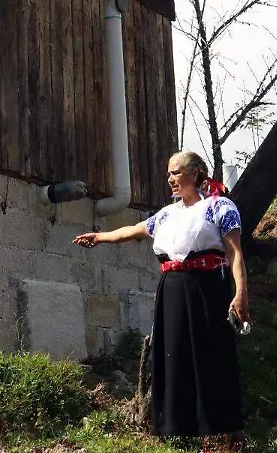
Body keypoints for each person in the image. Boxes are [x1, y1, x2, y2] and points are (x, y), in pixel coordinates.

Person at [73, 151, 248, 447]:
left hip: (207, 290)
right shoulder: (168, 214)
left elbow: (235, 254)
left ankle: (223, 429)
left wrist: (240, 293)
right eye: (169, 174)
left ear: (196, 173)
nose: (171, 179)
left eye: (177, 173)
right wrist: (99, 237)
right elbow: (132, 231)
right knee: (174, 356)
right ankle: (181, 428)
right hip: (173, 291)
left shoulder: (220, 207)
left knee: (212, 355)